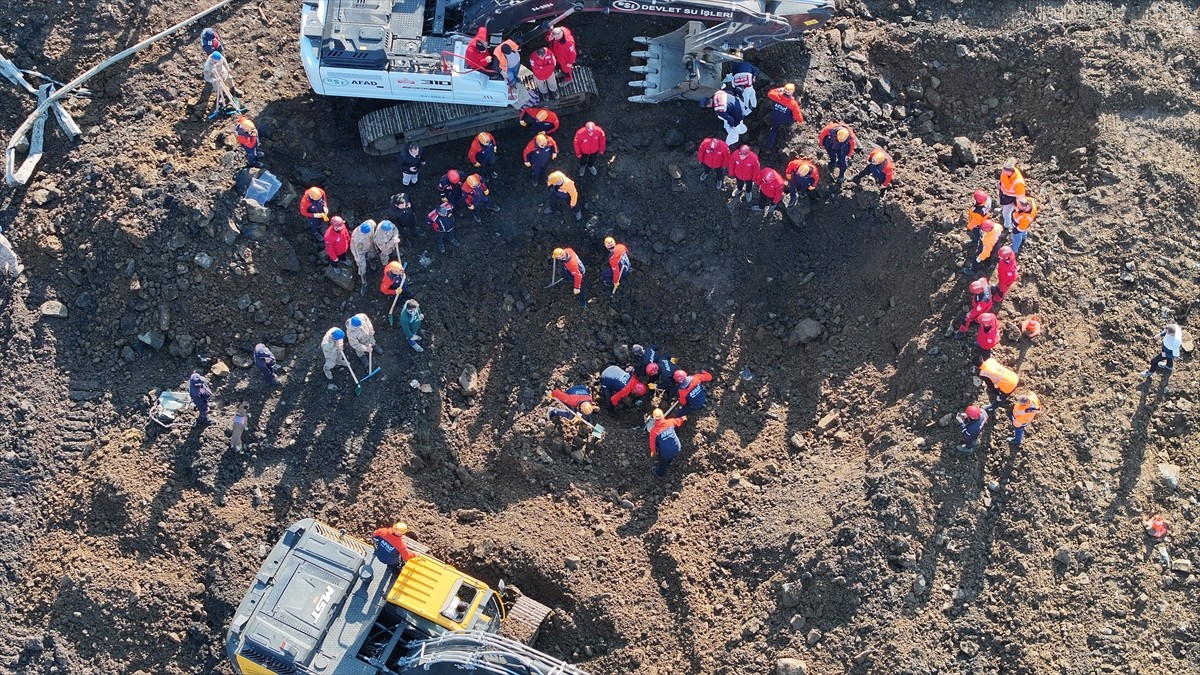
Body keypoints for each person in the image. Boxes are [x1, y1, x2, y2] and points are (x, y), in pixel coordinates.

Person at [764, 83, 804, 150]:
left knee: (773, 131)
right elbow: (798, 117)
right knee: (792, 118)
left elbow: (770, 93)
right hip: (786, 120)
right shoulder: (793, 103)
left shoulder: (776, 96)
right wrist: (800, 121)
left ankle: (768, 148)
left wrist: (779, 89)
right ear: (792, 92)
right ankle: (787, 129)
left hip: (775, 117)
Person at [648, 408, 686, 477]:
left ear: (654, 418)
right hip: (677, 447)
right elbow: (678, 421)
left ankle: (659, 473)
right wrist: (683, 418)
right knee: (671, 456)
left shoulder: (654, 431)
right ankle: (669, 463)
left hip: (666, 452)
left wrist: (653, 452)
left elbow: (652, 444)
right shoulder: (670, 422)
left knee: (662, 463)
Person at [998, 158, 1026, 231]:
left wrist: (1018, 206)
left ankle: (1007, 226)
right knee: (1005, 208)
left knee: (1006, 213)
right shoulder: (1005, 172)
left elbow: (1020, 197)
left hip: (1011, 198)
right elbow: (1002, 181)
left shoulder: (1018, 181)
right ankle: (1004, 210)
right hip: (1004, 195)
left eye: (1004, 171)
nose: (1002, 172)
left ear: (1010, 171)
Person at [350, 221, 376, 287]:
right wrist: (356, 256)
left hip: (370, 245)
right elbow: (353, 247)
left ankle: (371, 260)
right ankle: (363, 277)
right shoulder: (356, 237)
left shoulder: (370, 223)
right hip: (360, 251)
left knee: (372, 254)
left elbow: (373, 224)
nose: (370, 233)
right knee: (361, 266)